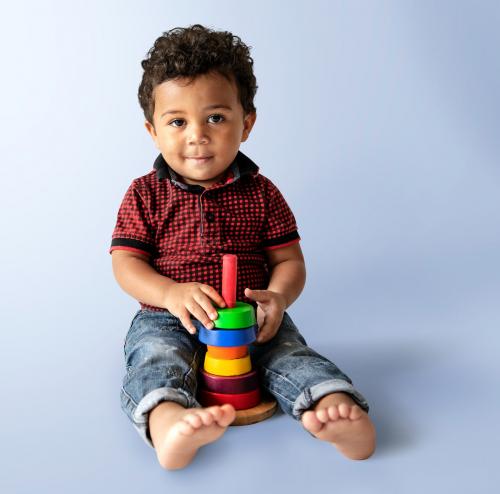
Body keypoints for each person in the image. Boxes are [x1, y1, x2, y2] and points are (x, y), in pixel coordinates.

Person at [110, 24, 376, 470]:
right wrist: (170, 294)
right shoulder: (145, 194)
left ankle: (332, 406)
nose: (197, 135)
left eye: (215, 117)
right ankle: (169, 421)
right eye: (177, 121)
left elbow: (289, 261)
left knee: (290, 355)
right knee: (156, 358)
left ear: (246, 123)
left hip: (252, 322)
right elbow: (126, 264)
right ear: (153, 131)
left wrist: (279, 298)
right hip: (168, 319)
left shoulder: (261, 193)